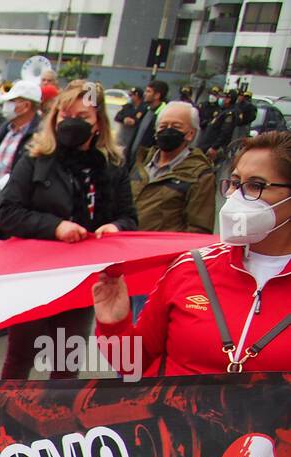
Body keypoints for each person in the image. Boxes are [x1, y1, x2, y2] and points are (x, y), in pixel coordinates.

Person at [94, 131, 291, 374]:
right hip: (171, 412)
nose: (234, 196)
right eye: (234, 182)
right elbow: (132, 365)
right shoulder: (191, 267)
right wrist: (114, 324)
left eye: (255, 185)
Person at [0, 80, 137, 379]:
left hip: (82, 281)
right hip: (35, 276)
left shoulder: (112, 166)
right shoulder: (35, 160)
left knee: (65, 363)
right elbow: (7, 213)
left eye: (83, 117)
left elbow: (129, 217)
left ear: (98, 123)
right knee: (19, 359)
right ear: (55, 117)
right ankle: (1, 419)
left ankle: (57, 421)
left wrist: (115, 226)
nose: (72, 123)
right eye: (65, 115)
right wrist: (55, 227)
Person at [130, 101, 215, 234]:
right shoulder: (141, 163)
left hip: (160, 252)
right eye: (163, 126)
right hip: (125, 246)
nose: (168, 130)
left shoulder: (200, 175)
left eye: (176, 126)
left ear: (190, 134)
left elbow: (199, 229)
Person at [0, 80, 41, 191]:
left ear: (26, 106)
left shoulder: (38, 138)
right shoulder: (4, 130)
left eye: (12, 101)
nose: (6, 105)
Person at [128, 79, 168, 160]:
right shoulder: (146, 109)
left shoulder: (164, 115)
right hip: (132, 159)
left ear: (157, 95)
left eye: (148, 91)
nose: (145, 94)